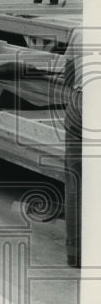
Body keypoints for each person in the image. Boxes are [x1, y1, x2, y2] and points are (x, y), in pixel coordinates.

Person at [62, 27, 83, 268]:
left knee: (75, 182)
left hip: (81, 102)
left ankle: (75, 253)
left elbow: (67, 75)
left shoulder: (79, 30)